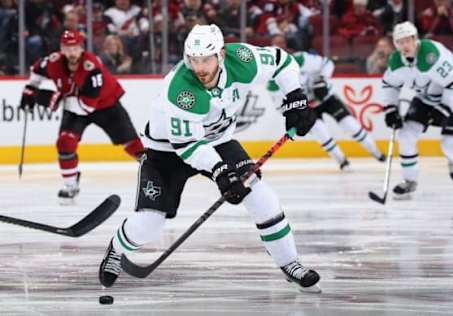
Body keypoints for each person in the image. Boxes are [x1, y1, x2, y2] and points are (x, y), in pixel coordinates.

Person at [98, 24, 321, 292]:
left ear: (222, 55)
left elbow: (281, 61)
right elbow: (189, 145)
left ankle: (290, 263)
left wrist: (295, 96)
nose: (200, 67)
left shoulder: (243, 60)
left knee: (262, 197)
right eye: (194, 60)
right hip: (167, 152)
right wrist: (220, 173)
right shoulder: (182, 90)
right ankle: (116, 249)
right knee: (149, 224)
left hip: (219, 141)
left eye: (206, 59)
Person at [19, 30, 144, 203]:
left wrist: (53, 99)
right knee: (65, 142)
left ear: (82, 48)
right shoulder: (54, 61)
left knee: (132, 143)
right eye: (67, 48)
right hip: (74, 105)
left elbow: (86, 107)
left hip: (105, 105)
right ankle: (70, 186)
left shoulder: (91, 67)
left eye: (75, 48)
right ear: (62, 48)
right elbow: (37, 70)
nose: (72, 53)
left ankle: (156, 170)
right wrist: (31, 89)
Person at [268, 34, 385, 170]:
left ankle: (377, 153)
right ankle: (343, 162)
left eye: (282, 43)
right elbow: (281, 107)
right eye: (276, 45)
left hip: (326, 98)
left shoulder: (301, 58)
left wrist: (322, 80)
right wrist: (295, 116)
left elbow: (327, 64)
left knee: (350, 125)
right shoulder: (273, 83)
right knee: (321, 133)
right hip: (307, 109)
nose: (280, 47)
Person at [382, 22, 453, 199]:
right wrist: (390, 109)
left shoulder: (430, 55)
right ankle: (410, 181)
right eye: (400, 42)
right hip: (426, 97)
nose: (404, 45)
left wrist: (444, 108)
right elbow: (389, 85)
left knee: (450, 144)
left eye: (408, 40)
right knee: (405, 135)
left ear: (415, 39)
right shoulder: (396, 61)